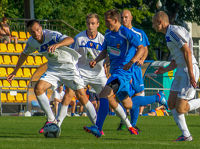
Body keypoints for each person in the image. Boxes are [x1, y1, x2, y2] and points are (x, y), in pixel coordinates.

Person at [84, 9, 168, 138]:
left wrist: (133, 61)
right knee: (129, 104)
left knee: (105, 94)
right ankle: (157, 97)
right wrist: (96, 61)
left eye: (108, 21)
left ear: (115, 21)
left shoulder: (126, 33)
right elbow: (105, 50)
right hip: (115, 72)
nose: (106, 24)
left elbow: (141, 48)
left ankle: (98, 128)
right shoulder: (108, 33)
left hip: (122, 74)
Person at [7, 19, 97, 134]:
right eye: (33, 32)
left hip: (68, 67)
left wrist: (58, 44)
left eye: (38, 30)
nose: (36, 34)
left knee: (82, 96)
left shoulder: (52, 35)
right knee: (38, 88)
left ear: (41, 28)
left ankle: (97, 126)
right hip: (53, 69)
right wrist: (15, 71)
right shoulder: (31, 42)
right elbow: (24, 54)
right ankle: (51, 119)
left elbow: (70, 39)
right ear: (29, 33)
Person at [152, 11, 200, 141]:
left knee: (181, 108)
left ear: (160, 22)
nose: (152, 26)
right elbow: (177, 59)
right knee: (171, 103)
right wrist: (165, 69)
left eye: (153, 22)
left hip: (187, 70)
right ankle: (186, 135)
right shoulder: (169, 34)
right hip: (180, 70)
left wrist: (191, 73)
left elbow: (187, 51)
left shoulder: (173, 32)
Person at [56, 13, 108, 130]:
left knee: (111, 98)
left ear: (98, 25)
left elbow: (107, 55)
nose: (90, 26)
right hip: (81, 73)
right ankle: (57, 123)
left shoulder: (103, 39)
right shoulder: (79, 38)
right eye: (88, 23)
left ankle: (125, 122)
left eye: (93, 23)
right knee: (69, 94)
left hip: (99, 74)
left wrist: (106, 66)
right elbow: (72, 56)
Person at [116, 9, 150, 131]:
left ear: (131, 18)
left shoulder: (139, 33)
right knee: (124, 95)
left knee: (137, 94)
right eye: (122, 18)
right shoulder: (118, 33)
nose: (124, 20)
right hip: (123, 69)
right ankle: (125, 120)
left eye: (126, 17)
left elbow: (145, 49)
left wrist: (142, 59)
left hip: (135, 69)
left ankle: (132, 123)